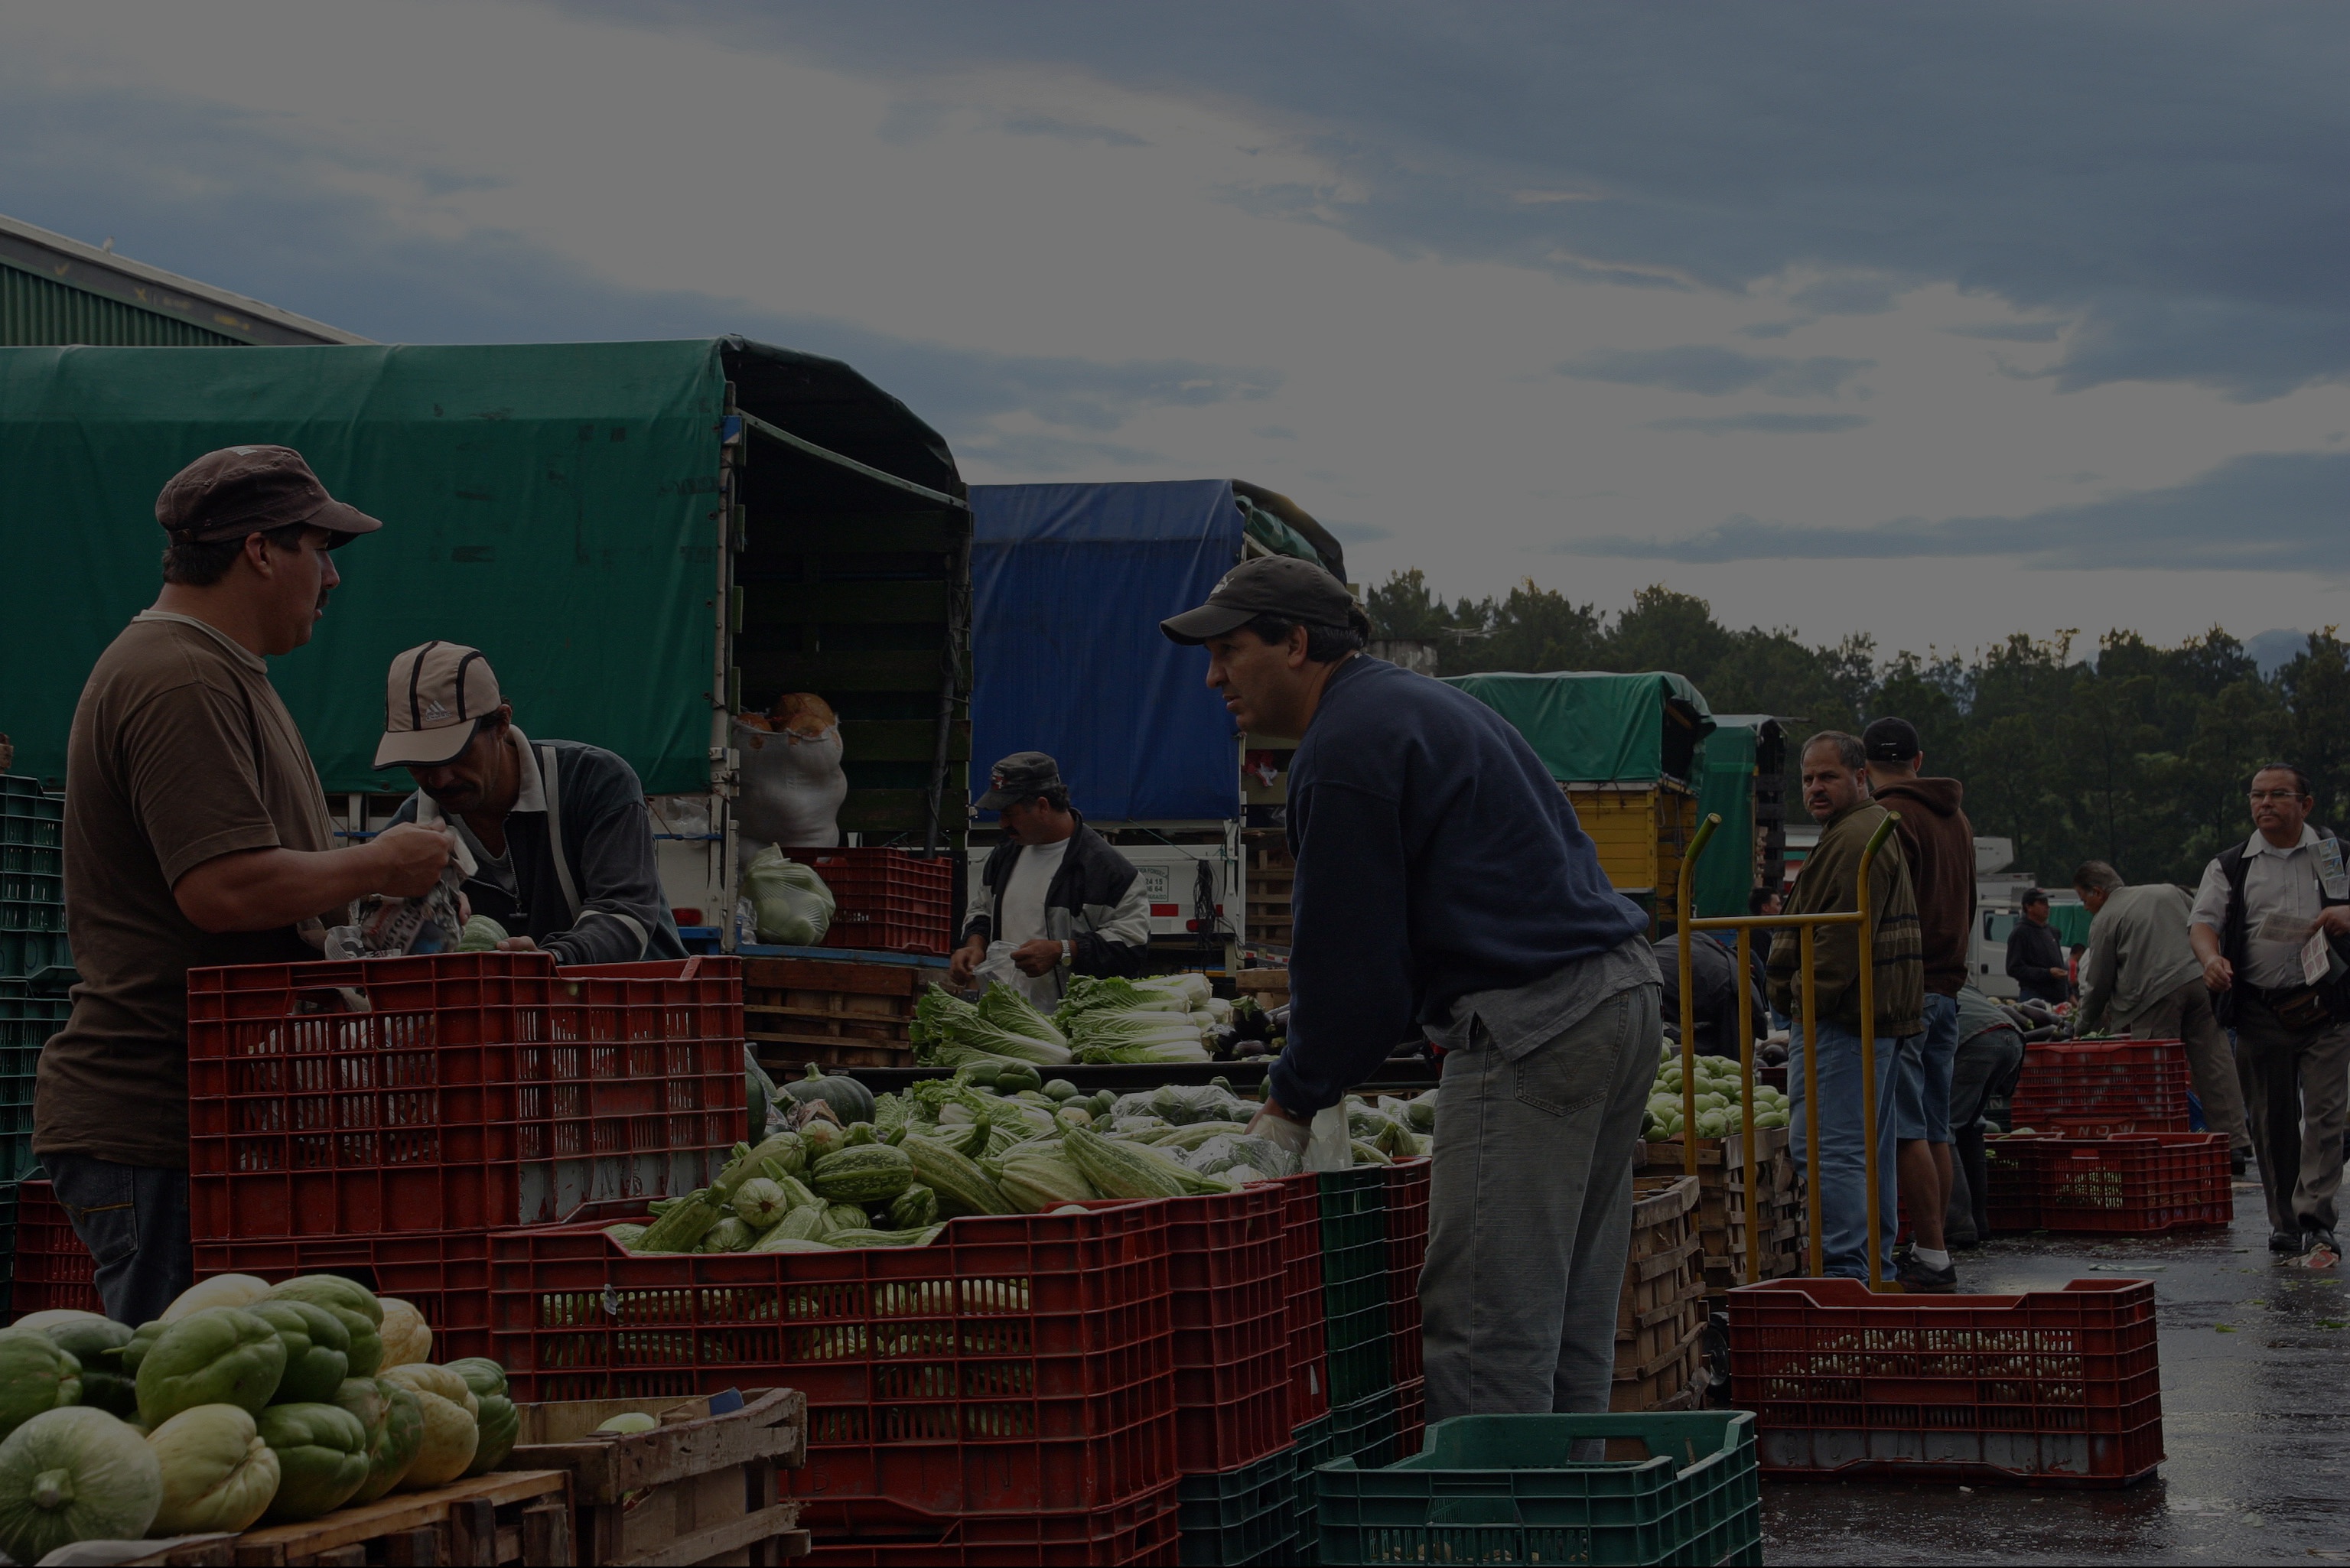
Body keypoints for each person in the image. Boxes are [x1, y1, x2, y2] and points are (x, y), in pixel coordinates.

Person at [1160, 556, 1652, 1425]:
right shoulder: (1418, 704)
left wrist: (1290, 1100)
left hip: (1534, 1021)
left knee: (1486, 1323)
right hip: (1616, 996)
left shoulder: (1345, 747)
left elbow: (1350, 969)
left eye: (1230, 650)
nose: (1211, 676)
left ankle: (1490, 1538)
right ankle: (1566, 1527)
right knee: (1566, 1310)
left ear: (1297, 644)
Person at [35, 447, 453, 1323]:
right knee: (178, 1419)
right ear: (260, 551)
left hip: (217, 1119)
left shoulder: (221, 670)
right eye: (319, 548)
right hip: (164, 1124)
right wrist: (382, 861)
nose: (331, 576)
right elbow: (220, 891)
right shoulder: (180, 676)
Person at [379, 643, 683, 965]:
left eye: (456, 754)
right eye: (418, 762)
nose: (440, 780)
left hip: (639, 1004)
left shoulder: (593, 781)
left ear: (501, 723)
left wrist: (553, 960)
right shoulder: (408, 831)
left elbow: (624, 910)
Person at [1766, 731, 1923, 1281]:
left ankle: (1843, 1277)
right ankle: (1870, 1271)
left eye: (1828, 776)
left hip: (1841, 1020)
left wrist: (1802, 1003)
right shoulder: (1861, 832)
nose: (1816, 788)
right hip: (1866, 1018)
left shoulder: (1855, 839)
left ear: (1861, 777)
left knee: (1830, 1154)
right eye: (1808, 778)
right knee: (1866, 1155)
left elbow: (1833, 945)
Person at [2188, 763, 2350, 1259]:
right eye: (2257, 795)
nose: (2265, 804)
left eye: (2279, 794)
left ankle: (2316, 1219)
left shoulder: (2331, 854)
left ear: (2306, 804)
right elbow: (2202, 923)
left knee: (2324, 1115)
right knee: (2271, 1120)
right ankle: (2284, 1222)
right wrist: (2212, 960)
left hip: (2326, 1006)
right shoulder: (2234, 864)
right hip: (2261, 1009)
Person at [1862, 717, 1975, 1293]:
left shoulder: (1888, 821)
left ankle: (1929, 1255)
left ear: (1862, 770)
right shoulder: (1957, 820)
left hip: (1907, 991)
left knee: (1906, 1129)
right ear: (1919, 759)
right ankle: (1934, 1247)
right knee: (1936, 1126)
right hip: (1949, 989)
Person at [2073, 860, 2250, 1173]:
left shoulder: (2106, 918)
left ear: (2098, 892)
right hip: (2200, 981)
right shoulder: (2169, 891)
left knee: (2157, 1075)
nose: (2086, 907)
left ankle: (2165, 1144)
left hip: (2153, 996)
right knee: (2215, 1062)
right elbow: (2203, 926)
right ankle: (2234, 1143)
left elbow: (2098, 983)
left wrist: (2080, 1027)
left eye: (2085, 900)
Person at [950, 752, 1150, 1006]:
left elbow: (1131, 946)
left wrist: (1063, 951)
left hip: (1073, 1027)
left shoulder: (1110, 871)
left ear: (1043, 806)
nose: (1002, 824)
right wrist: (974, 945)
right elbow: (982, 909)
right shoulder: (1004, 855)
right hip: (1008, 1017)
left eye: (1009, 814)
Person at [1942, 984, 2026, 1247]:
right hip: (2010, 1036)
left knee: (1940, 1130)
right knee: (1969, 1127)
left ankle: (1957, 1225)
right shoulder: (1958, 982)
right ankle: (1979, 1221)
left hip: (1972, 1040)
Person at [1654, 923, 1766, 1059]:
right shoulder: (1733, 982)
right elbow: (1737, 1048)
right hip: (1655, 993)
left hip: (1641, 980)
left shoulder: (1700, 942)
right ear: (1750, 969)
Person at [2007, 890, 2071, 1006]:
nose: (2047, 906)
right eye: (2041, 902)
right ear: (2029, 907)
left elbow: (2059, 963)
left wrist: (2069, 993)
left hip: (2057, 998)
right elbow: (2014, 968)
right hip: (2034, 997)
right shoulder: (2021, 932)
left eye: (2047, 902)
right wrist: (2047, 973)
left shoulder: (2050, 931)